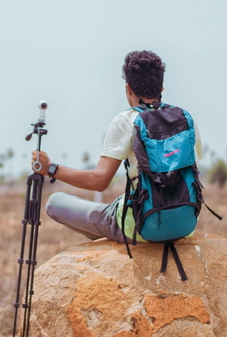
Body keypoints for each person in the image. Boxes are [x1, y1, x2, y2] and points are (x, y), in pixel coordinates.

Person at [30, 50, 203, 243]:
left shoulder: (126, 120)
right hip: (185, 225)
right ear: (161, 88)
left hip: (140, 226)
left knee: (54, 203)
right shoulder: (184, 118)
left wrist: (50, 169)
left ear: (128, 88)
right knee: (119, 201)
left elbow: (100, 181)